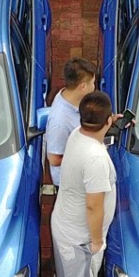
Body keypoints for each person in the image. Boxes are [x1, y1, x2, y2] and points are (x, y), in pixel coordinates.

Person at [48, 91, 121, 277]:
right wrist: (96, 240)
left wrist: (115, 121)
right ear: (104, 122)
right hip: (80, 237)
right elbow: (94, 206)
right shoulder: (97, 160)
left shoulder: (77, 135)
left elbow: (98, 127)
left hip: (63, 221)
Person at [45, 57, 98, 187]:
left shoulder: (72, 96)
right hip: (71, 185)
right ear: (83, 87)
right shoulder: (59, 121)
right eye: (93, 83)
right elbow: (54, 159)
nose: (94, 86)